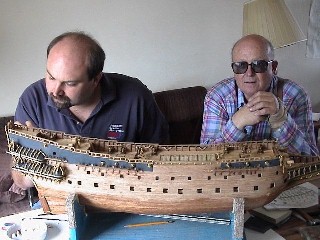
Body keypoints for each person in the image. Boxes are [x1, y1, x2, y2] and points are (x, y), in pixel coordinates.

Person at [12, 31, 169, 189]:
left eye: (70, 83)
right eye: (51, 77)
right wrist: (30, 166)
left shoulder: (136, 96)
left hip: (124, 193)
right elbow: (21, 181)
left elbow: (161, 159)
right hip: (59, 198)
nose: (56, 91)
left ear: (96, 79)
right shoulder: (32, 99)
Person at [200, 34, 319, 156]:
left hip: (281, 173)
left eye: (258, 65)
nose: (249, 73)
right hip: (230, 174)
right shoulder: (217, 96)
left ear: (273, 67)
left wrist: (281, 121)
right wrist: (237, 123)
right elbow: (206, 156)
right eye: (241, 66)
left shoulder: (295, 95)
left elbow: (311, 157)